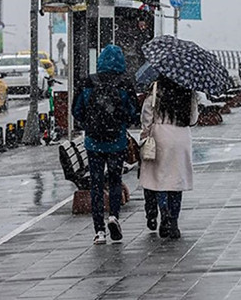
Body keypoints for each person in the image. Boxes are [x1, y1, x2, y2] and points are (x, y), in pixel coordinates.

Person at [72, 44, 140, 244]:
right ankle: (114, 217)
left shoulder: (88, 81)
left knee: (96, 183)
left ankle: (99, 231)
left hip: (93, 142)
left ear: (100, 60)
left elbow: (77, 110)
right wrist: (120, 122)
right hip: (116, 142)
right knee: (114, 180)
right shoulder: (124, 83)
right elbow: (132, 112)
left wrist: (88, 124)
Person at [139, 75, 198, 239]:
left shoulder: (156, 90)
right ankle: (174, 221)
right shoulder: (188, 92)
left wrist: (145, 136)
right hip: (181, 137)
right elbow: (193, 119)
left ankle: (163, 209)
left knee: (160, 179)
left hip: (160, 136)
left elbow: (146, 118)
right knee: (176, 180)